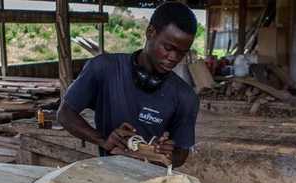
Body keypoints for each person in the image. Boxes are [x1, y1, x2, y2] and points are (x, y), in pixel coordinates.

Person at [57, 1, 199, 168]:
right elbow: (65, 113)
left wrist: (167, 153)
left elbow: (181, 154)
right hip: (109, 178)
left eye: (182, 52)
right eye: (168, 47)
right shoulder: (103, 68)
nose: (174, 57)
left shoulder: (186, 97)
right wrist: (103, 140)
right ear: (150, 32)